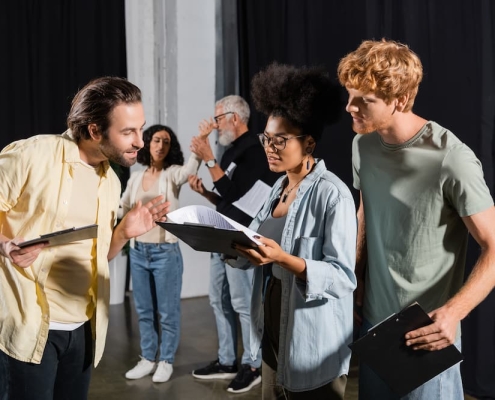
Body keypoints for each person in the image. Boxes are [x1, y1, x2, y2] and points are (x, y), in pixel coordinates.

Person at [337, 39, 495, 400]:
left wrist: (453, 313)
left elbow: (493, 247)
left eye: (365, 100)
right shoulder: (362, 144)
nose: (350, 107)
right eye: (349, 95)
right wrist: (358, 277)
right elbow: (366, 211)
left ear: (401, 100)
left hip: (425, 331)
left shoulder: (451, 159)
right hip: (374, 322)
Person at [0, 77, 168, 400]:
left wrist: (122, 233)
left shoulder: (111, 183)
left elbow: (99, 257)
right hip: (32, 329)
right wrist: (7, 245)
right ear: (94, 131)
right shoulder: (32, 156)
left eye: (141, 129)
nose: (141, 142)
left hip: (84, 332)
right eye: (128, 132)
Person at [231, 63, 357, 400]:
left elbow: (343, 277)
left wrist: (285, 259)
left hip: (312, 339)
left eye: (280, 141)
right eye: (266, 139)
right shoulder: (277, 187)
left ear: (309, 144)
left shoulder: (333, 195)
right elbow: (257, 245)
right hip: (273, 331)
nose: (269, 148)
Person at [188, 95, 279, 393]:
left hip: (239, 239)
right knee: (218, 299)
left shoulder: (254, 150)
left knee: (242, 304)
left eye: (218, 119)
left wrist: (208, 158)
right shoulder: (230, 152)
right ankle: (227, 360)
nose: (214, 126)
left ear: (235, 118)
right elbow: (229, 198)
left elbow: (238, 194)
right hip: (221, 232)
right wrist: (206, 195)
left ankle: (251, 364)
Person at [122, 124, 202, 383]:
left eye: (166, 142)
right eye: (156, 140)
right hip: (138, 252)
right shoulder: (135, 177)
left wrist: (199, 149)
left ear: (170, 148)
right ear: (148, 143)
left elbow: (189, 171)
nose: (160, 146)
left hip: (165, 252)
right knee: (144, 310)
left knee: (167, 312)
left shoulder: (171, 174)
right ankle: (148, 359)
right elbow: (122, 207)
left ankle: (165, 360)